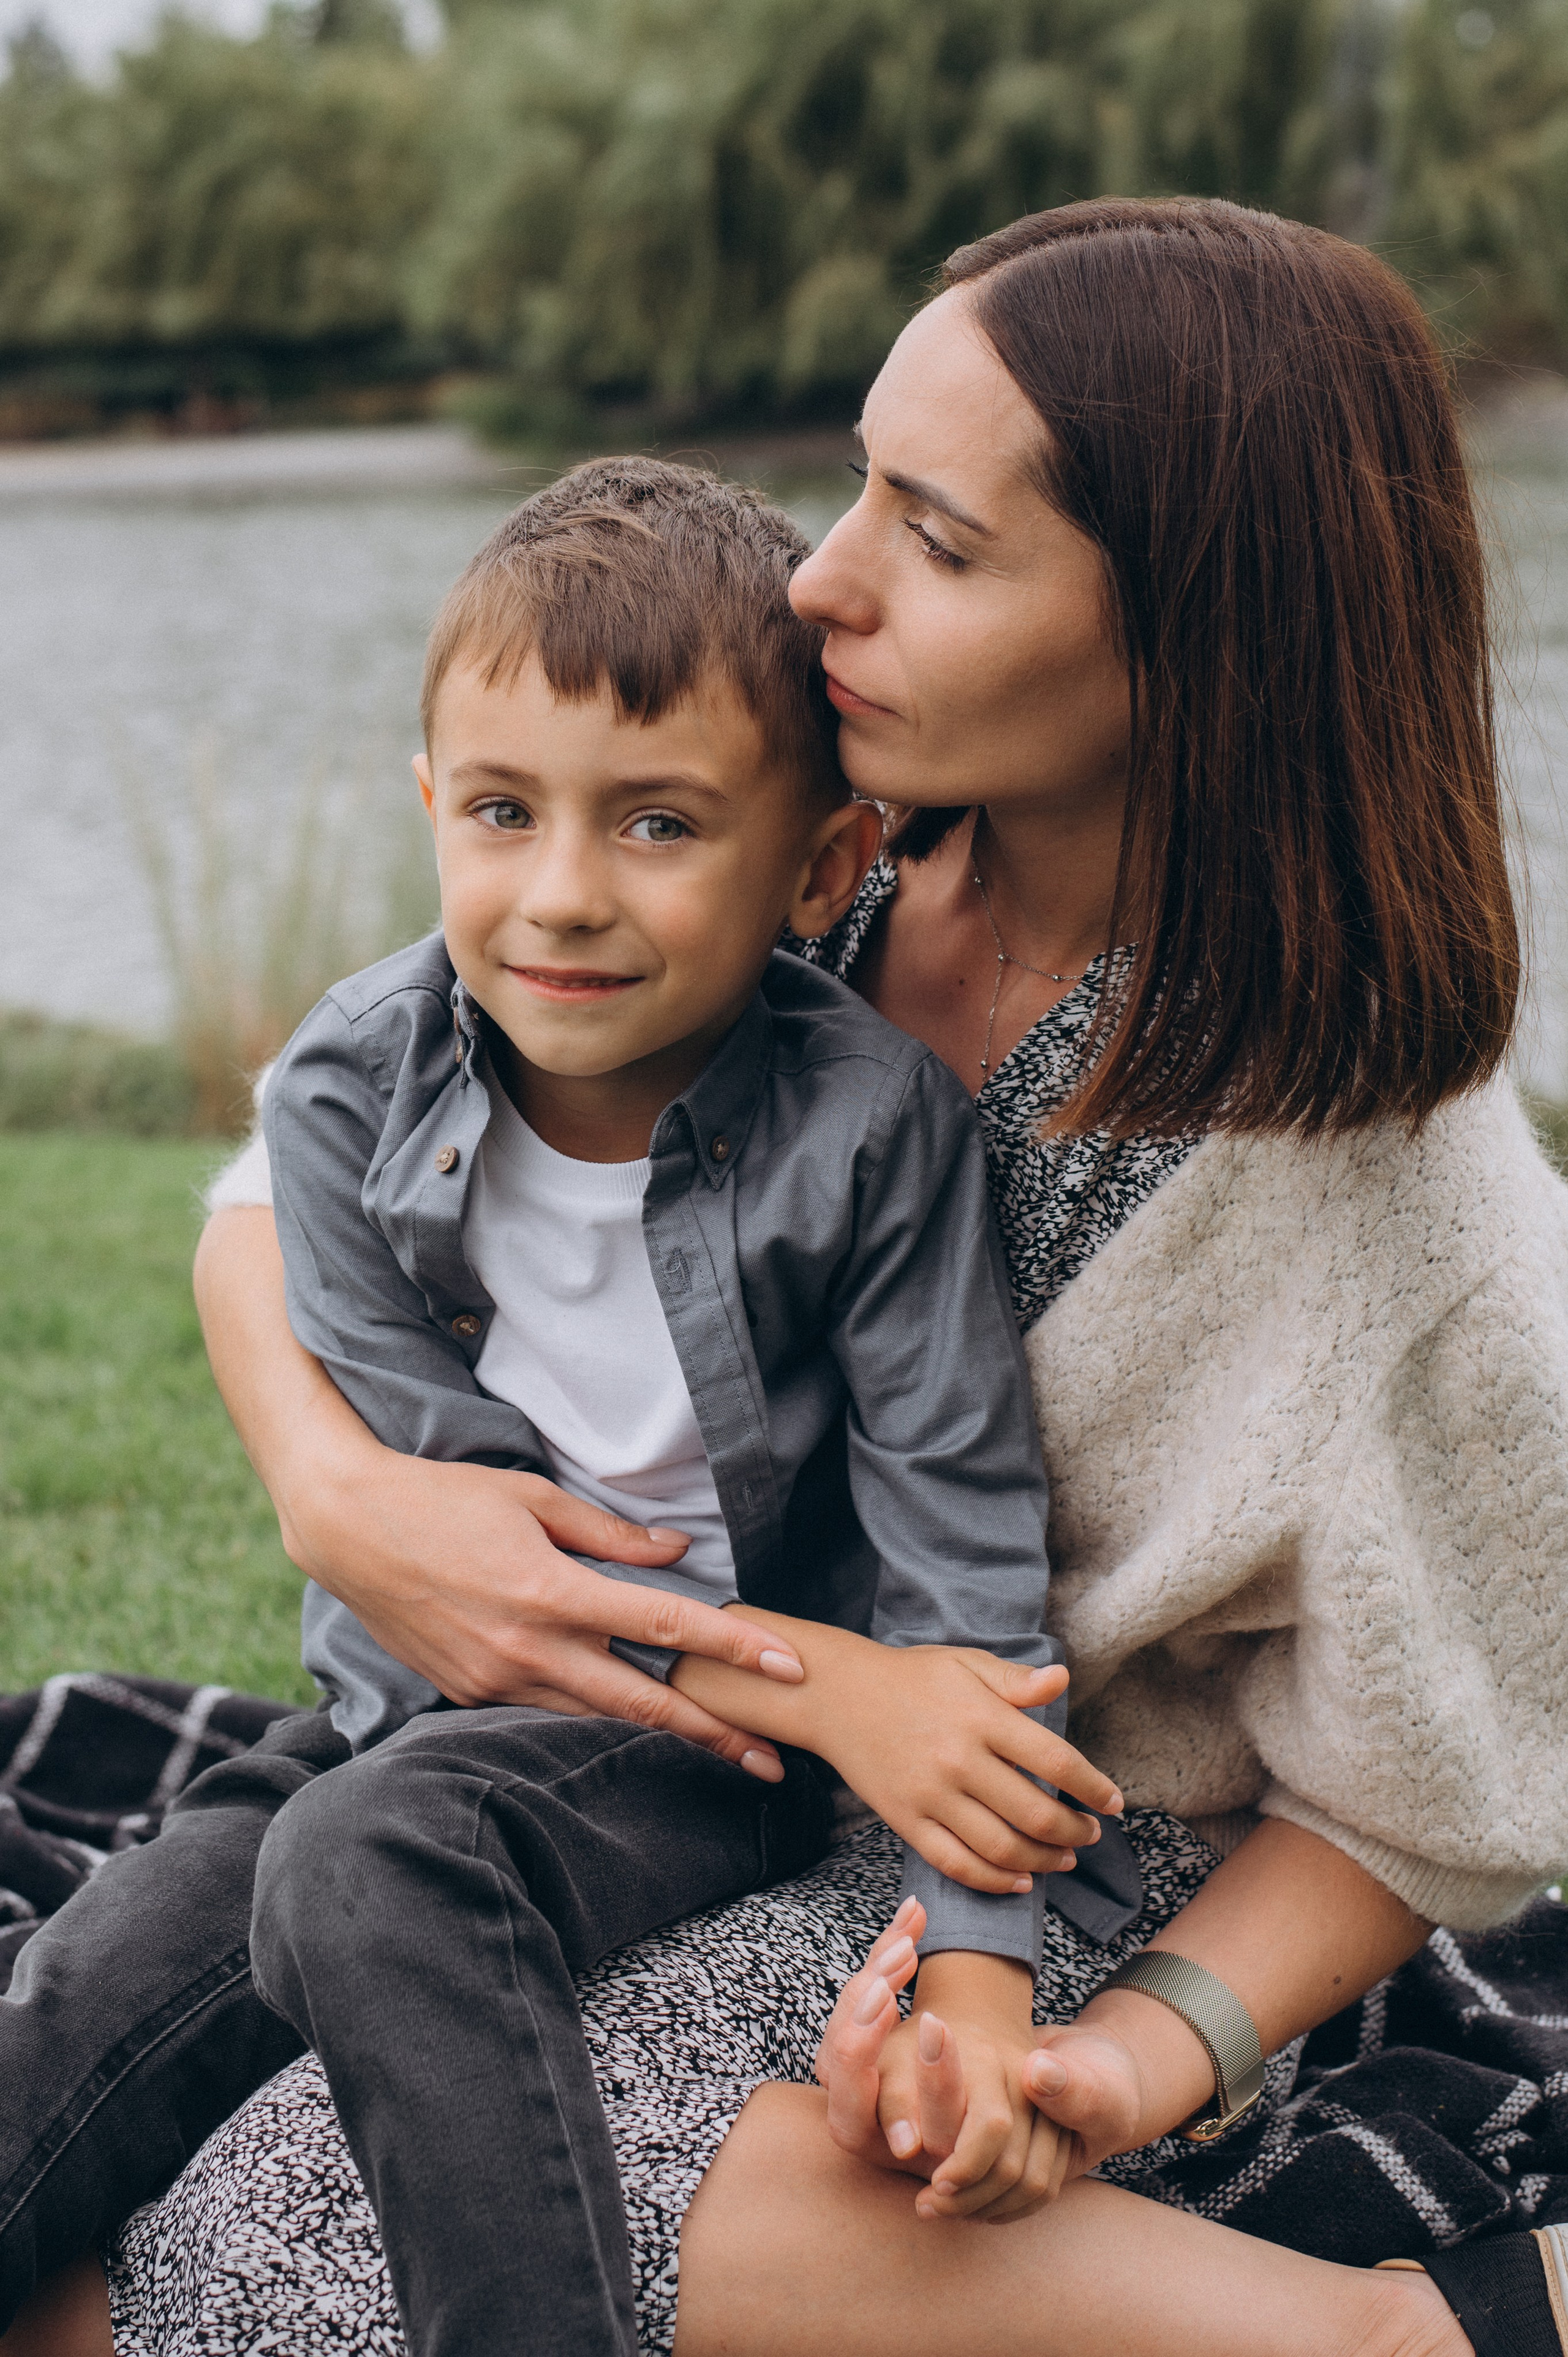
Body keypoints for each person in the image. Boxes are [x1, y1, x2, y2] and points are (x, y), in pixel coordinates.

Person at [10, 195, 1568, 2357]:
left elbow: (1429, 1799)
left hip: (1060, 1868)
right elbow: (277, 1180)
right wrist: (337, 1492)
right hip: (644, 1755)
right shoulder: (787, 836)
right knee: (147, 2130)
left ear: (1201, 628)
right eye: (858, 477)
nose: (818, 575)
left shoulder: (1415, 1214)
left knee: (233, 2258)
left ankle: (1397, 2331)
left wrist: (1109, 2065)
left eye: (933, 537)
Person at [0, 458, 1129, 2357]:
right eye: (505, 812)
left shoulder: (870, 1136)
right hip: (399, 1718)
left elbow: (962, 1572)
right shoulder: (348, 1099)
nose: (562, 896)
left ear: (823, 870)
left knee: (367, 1862)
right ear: (431, 805)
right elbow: (479, 1571)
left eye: (661, 823)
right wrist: (831, 1681)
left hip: (714, 1777)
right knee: (91, 1992)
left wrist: (983, 1976)